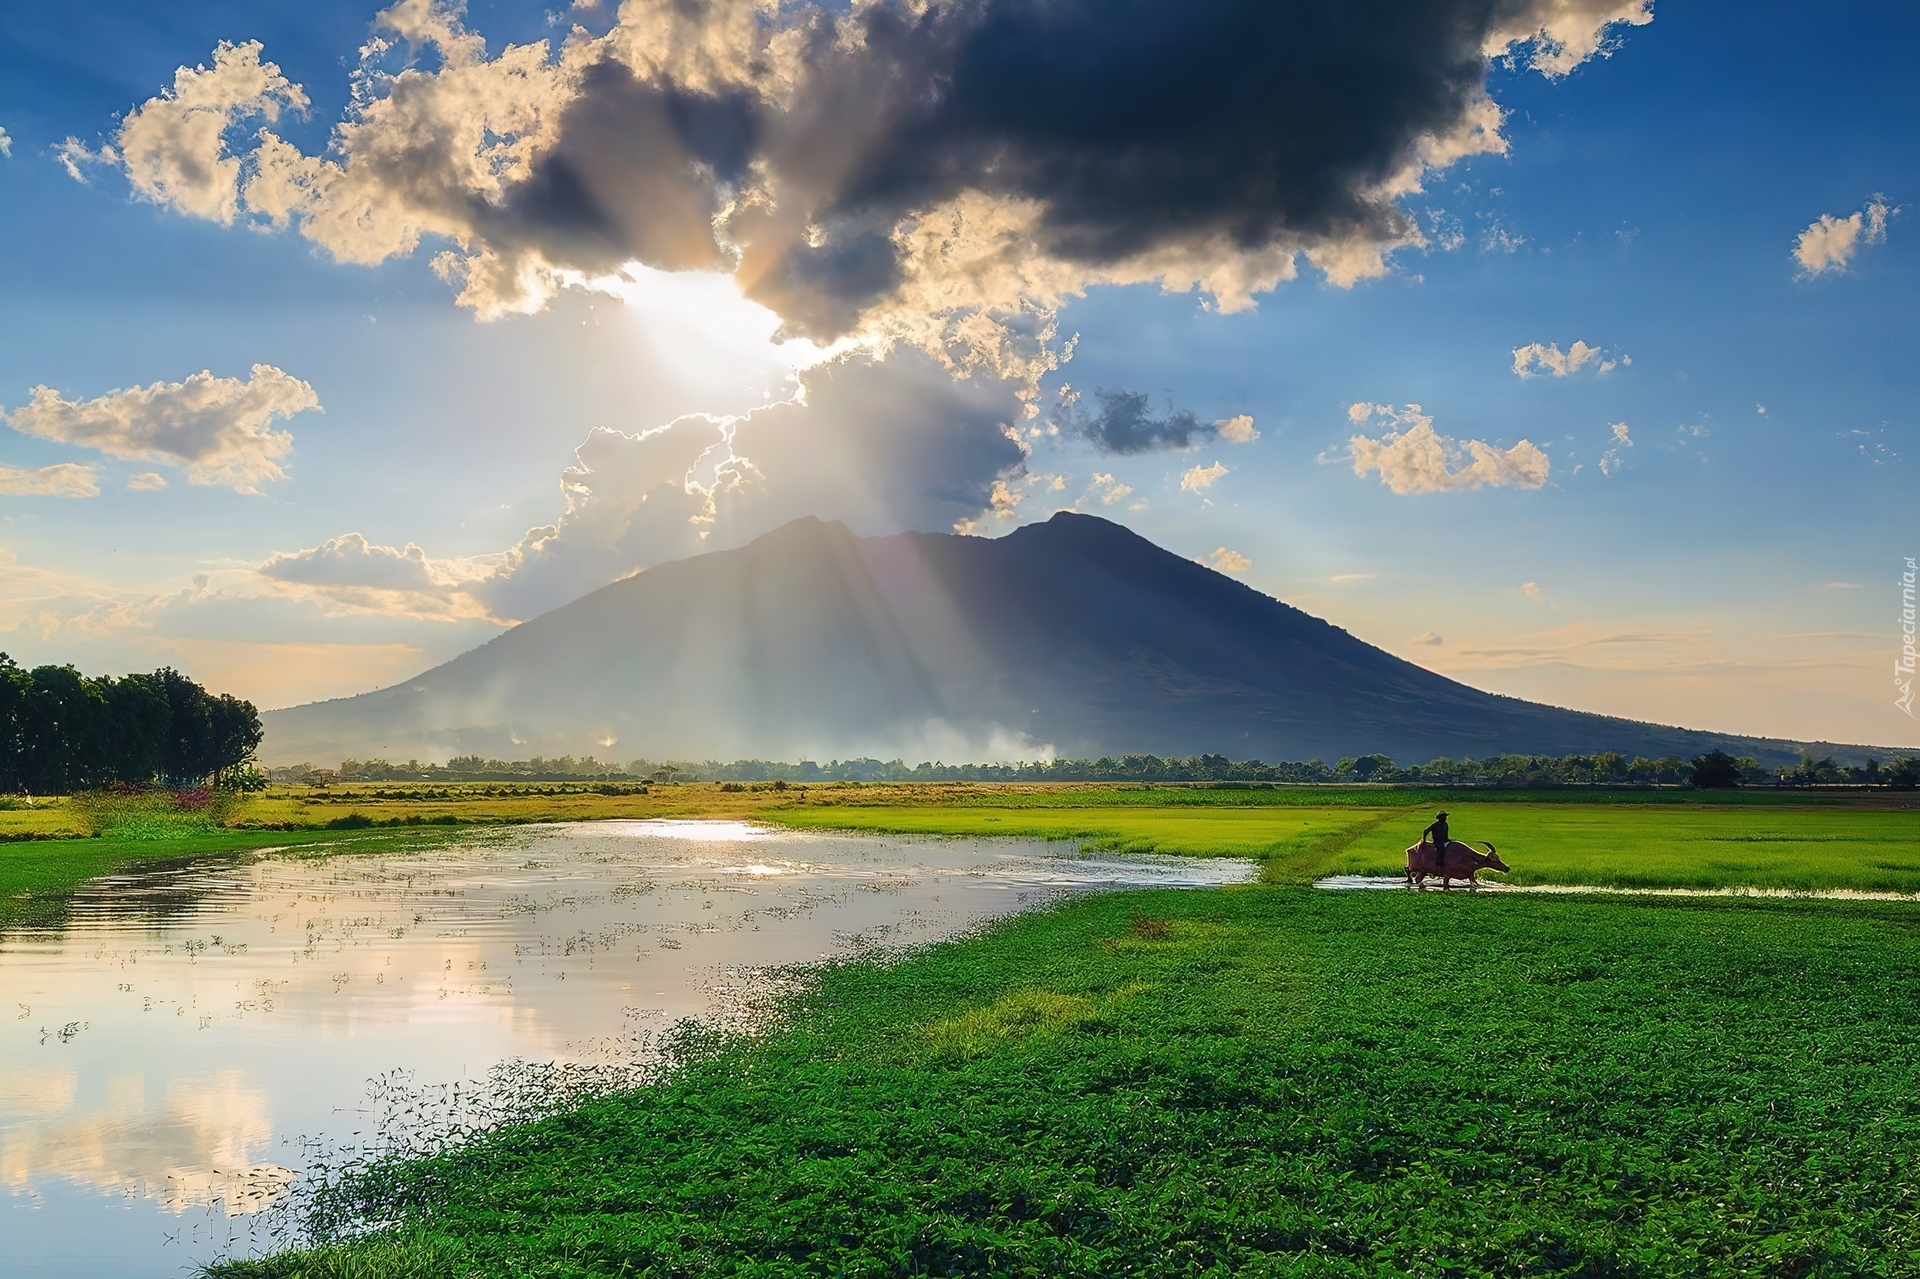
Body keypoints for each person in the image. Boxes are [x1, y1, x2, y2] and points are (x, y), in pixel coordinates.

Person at [1421, 811, 1451, 879]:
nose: (1445, 818)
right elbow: (1425, 831)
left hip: (1445, 841)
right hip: (1438, 842)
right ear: (1440, 818)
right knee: (1440, 851)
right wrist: (1424, 840)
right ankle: (1439, 867)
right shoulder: (1435, 825)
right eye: (1443, 816)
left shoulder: (1445, 824)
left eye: (1445, 816)